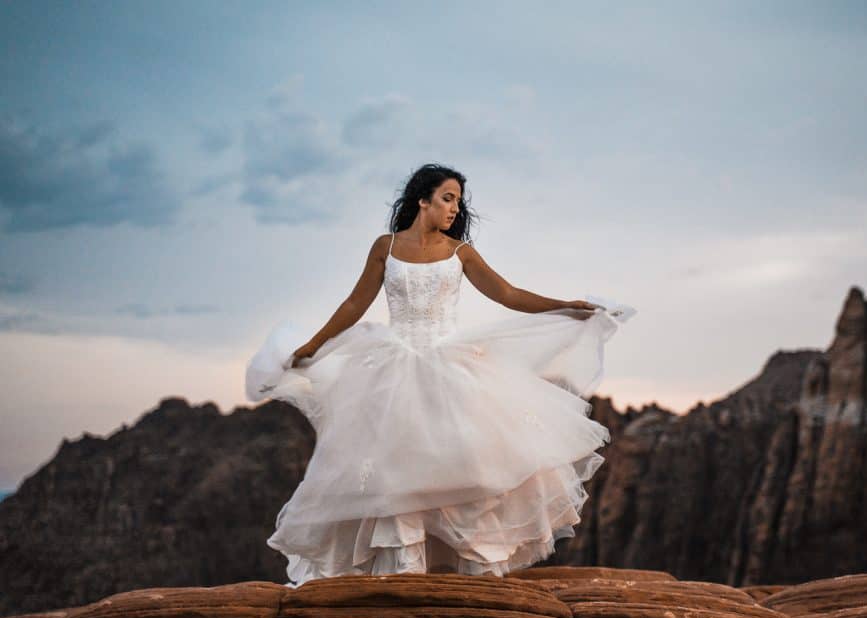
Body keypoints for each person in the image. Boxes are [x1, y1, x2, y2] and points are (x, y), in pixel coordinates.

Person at [245, 163, 636, 587]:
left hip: (451, 367)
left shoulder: (460, 252)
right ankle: (404, 574)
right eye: (448, 198)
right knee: (395, 468)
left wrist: (566, 306)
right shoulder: (385, 246)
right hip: (393, 369)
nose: (455, 208)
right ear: (422, 199)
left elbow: (508, 294)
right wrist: (312, 346)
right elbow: (354, 305)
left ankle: (468, 574)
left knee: (464, 464)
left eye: (458, 201)